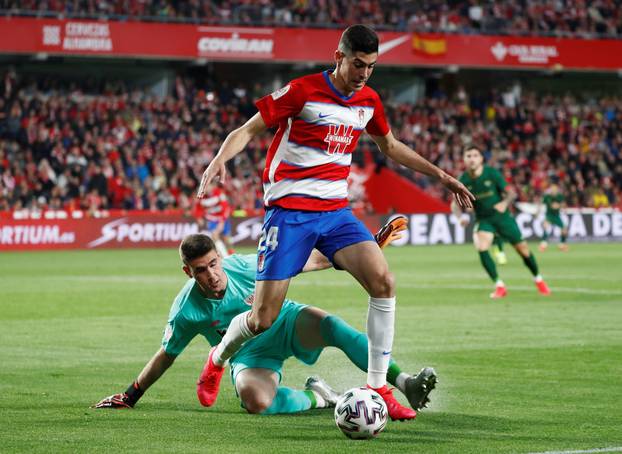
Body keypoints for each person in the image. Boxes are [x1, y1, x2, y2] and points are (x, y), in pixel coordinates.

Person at [195, 25, 472, 421]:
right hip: (289, 213)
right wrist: (220, 157)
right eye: (358, 64)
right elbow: (248, 129)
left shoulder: (369, 100)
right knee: (262, 318)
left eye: (371, 67)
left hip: (336, 212)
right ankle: (217, 358)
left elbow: (390, 146)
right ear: (338, 56)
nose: (363, 73)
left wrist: (442, 176)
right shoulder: (302, 91)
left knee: (384, 282)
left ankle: (379, 388)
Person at [93, 227, 437, 418]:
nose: (212, 275)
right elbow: (167, 354)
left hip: (285, 321)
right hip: (248, 355)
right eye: (201, 269)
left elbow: (302, 261)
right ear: (188, 271)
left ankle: (405, 382)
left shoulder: (242, 266)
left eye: (214, 264)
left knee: (333, 327)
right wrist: (130, 395)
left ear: (220, 257)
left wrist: (357, 252)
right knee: (256, 403)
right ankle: (321, 397)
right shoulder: (187, 309)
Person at [452, 146, 551, 299]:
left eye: (475, 155)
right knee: (481, 247)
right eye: (468, 156)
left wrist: (504, 203)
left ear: (481, 159)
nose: (472, 158)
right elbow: (454, 203)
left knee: (523, 250)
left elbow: (511, 193)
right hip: (484, 220)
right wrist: (460, 217)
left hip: (503, 218)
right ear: (464, 159)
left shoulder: (492, 174)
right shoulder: (463, 180)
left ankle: (538, 279)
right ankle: (499, 286)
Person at [194, 183, 235, 257]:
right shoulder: (201, 196)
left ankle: (232, 254)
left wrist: (222, 222)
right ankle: (225, 257)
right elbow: (197, 208)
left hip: (223, 219)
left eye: (207, 187)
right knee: (215, 236)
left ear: (212, 186)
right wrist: (199, 217)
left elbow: (226, 208)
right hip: (211, 220)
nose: (205, 189)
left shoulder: (219, 193)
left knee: (227, 240)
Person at [539, 184, 569, 252]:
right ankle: (543, 244)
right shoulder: (547, 197)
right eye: (553, 190)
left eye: (555, 190)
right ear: (551, 191)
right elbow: (541, 203)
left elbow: (563, 204)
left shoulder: (560, 196)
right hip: (549, 215)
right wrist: (538, 211)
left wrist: (559, 206)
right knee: (545, 226)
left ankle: (562, 244)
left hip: (556, 216)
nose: (554, 191)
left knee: (564, 230)